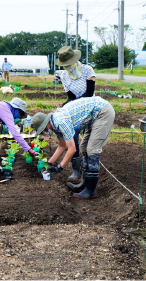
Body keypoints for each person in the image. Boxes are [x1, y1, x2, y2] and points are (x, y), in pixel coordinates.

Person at [30, 96, 115, 200]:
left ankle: (91, 190)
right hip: (93, 116)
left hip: (102, 112)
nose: (44, 134)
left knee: (92, 150)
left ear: (46, 126)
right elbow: (62, 146)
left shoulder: (60, 122)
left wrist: (59, 168)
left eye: (42, 131)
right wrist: (49, 164)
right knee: (84, 147)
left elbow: (72, 149)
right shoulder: (55, 125)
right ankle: (84, 184)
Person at [55, 46, 97, 184]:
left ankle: (88, 169)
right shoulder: (64, 75)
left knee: (89, 141)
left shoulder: (87, 70)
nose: (67, 67)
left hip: (90, 108)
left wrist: (73, 106)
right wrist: (65, 107)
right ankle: (76, 170)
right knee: (72, 137)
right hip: (75, 111)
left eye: (68, 64)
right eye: (64, 65)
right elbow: (71, 96)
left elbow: (89, 93)